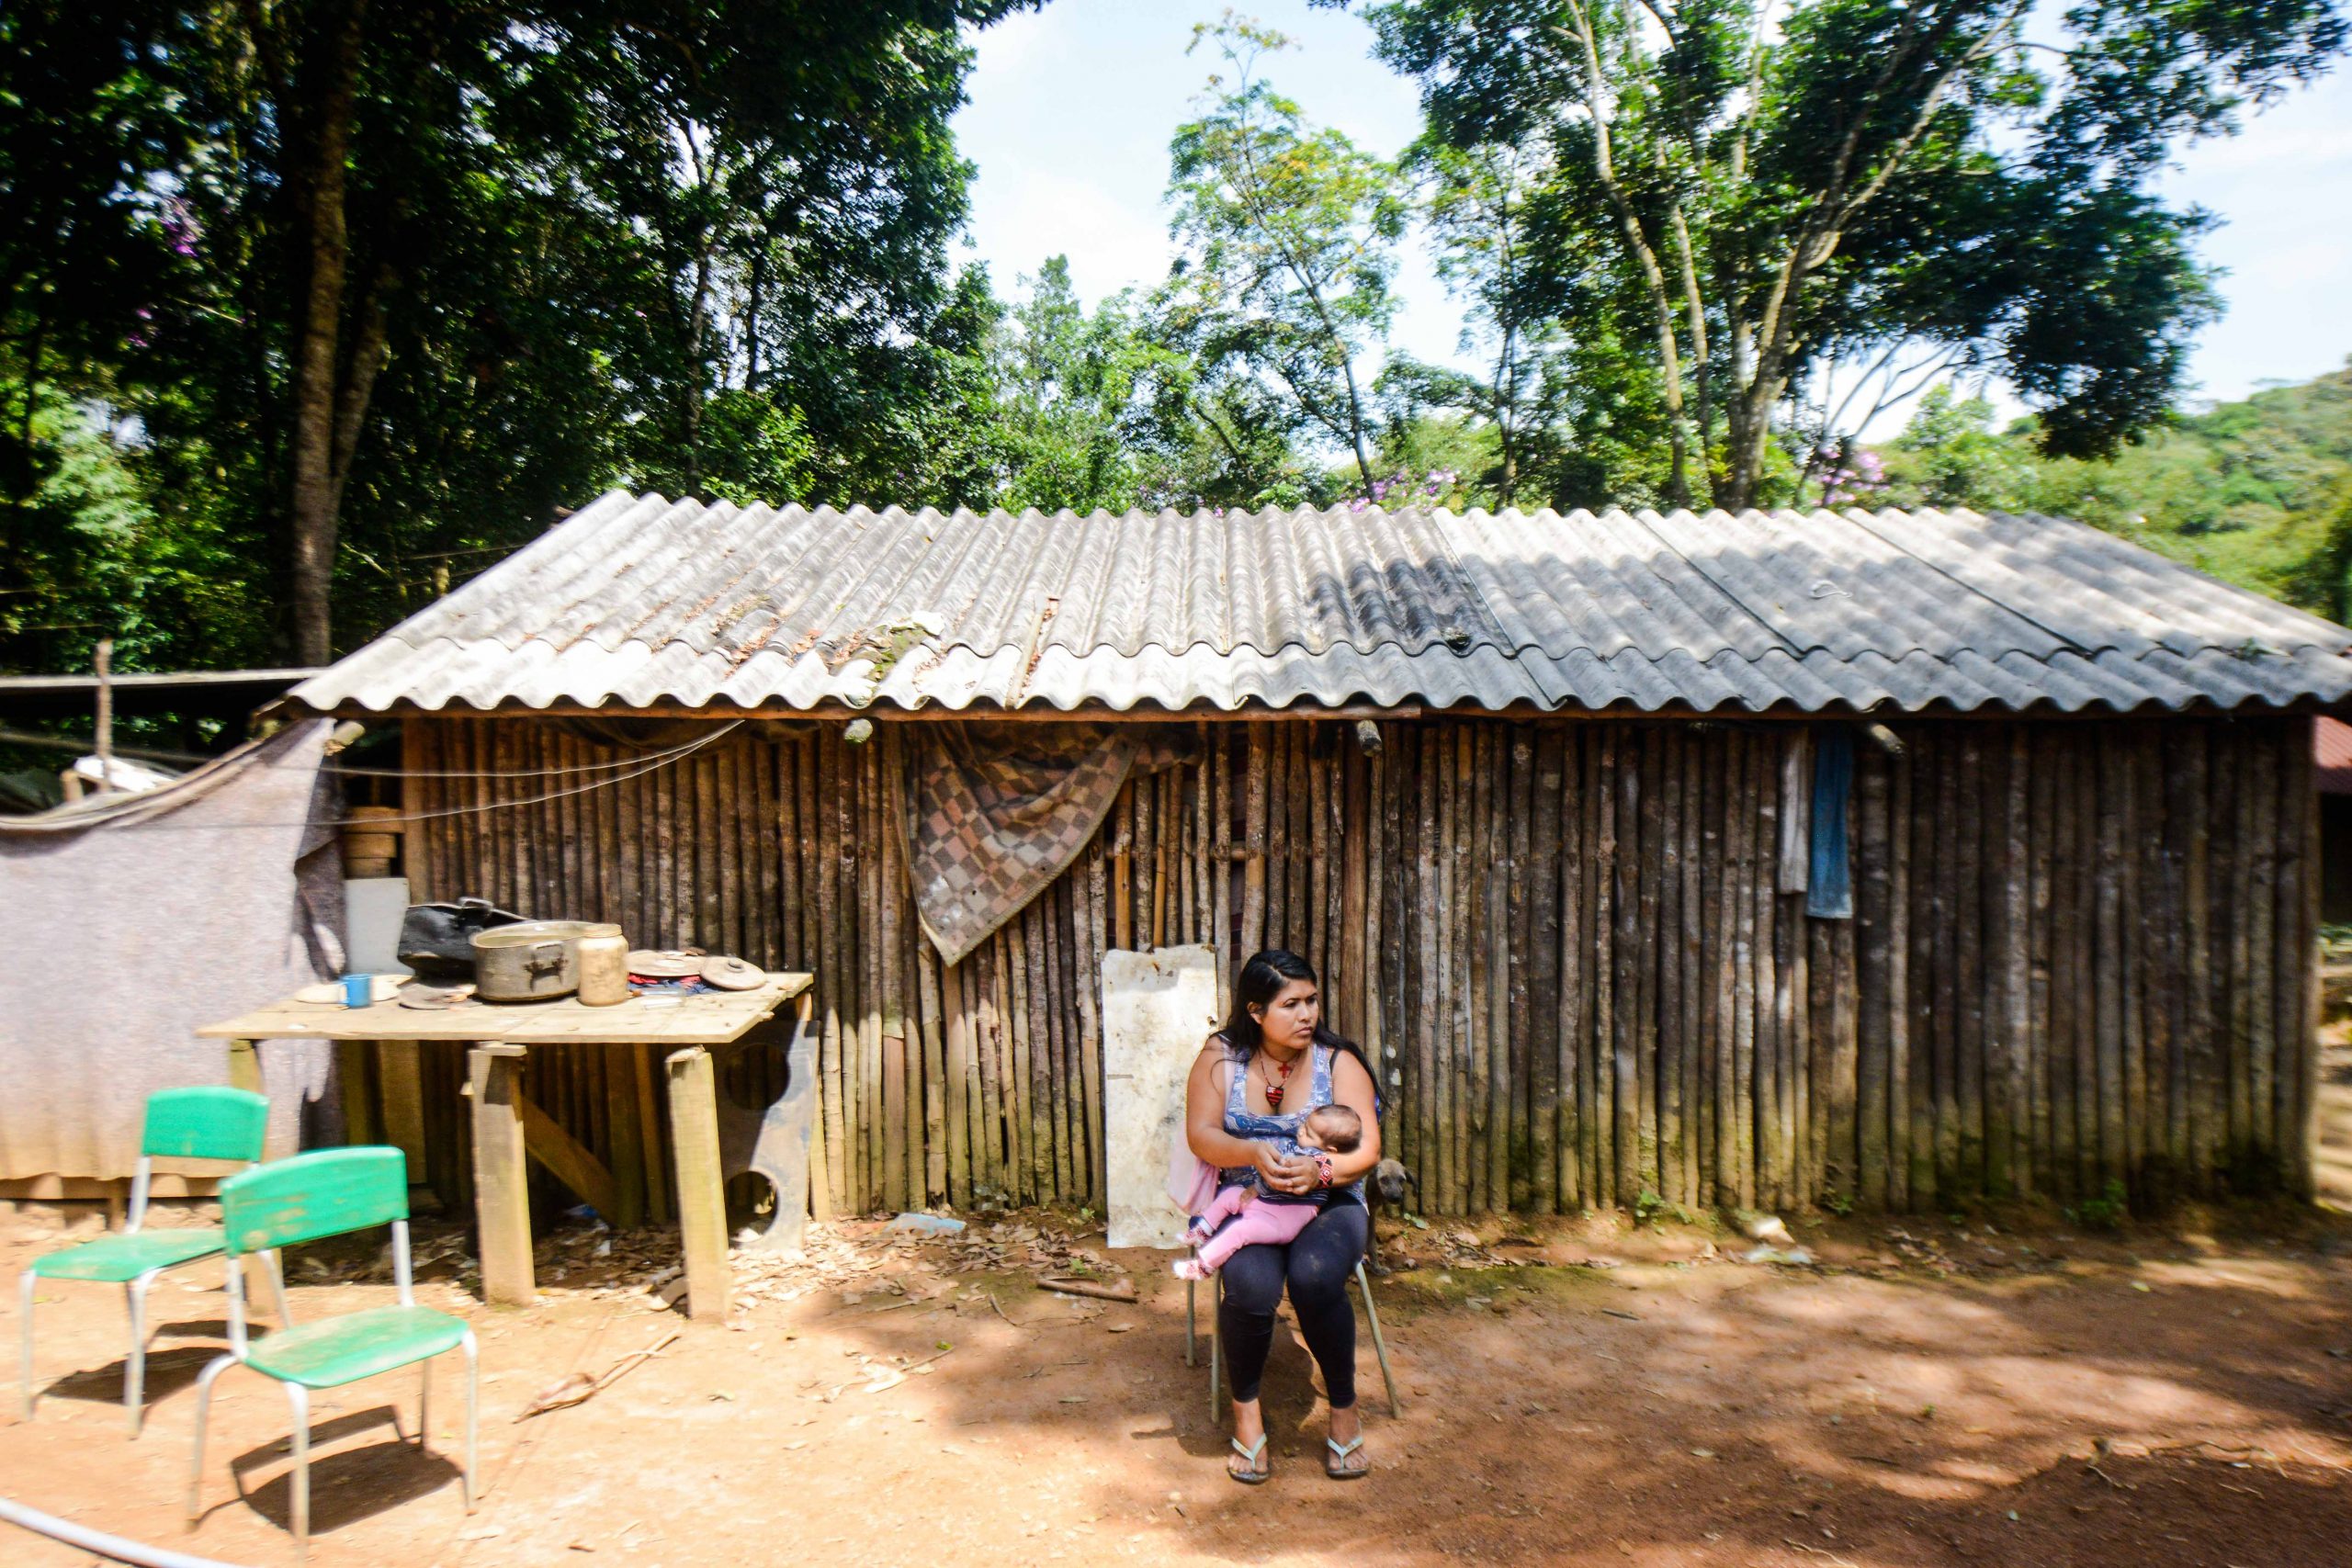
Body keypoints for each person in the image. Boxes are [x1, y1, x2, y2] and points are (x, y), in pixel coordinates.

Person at [1182, 950, 1382, 1484]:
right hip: (1251, 1201)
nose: (1307, 1014)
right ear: (1255, 1010)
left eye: (1312, 1000)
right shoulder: (1220, 1057)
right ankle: (1246, 1415)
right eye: (1290, 1004)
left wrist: (1319, 1174)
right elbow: (1200, 1134)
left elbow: (1367, 1152)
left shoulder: (1338, 1061)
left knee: (1315, 1279)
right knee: (1248, 1287)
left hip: (1328, 1199)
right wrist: (1251, 1155)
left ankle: (1344, 1408)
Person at [1172, 1103, 1363, 1280]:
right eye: (1304, 1125)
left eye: (1309, 1133)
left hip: (1281, 1220)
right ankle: (1202, 1230)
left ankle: (1204, 1266)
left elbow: (1281, 1178)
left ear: (1330, 1149)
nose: (1301, 1130)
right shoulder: (1298, 1146)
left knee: (1240, 1231)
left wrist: (1259, 1186)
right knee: (1230, 1195)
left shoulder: (1313, 1159)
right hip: (1266, 1202)